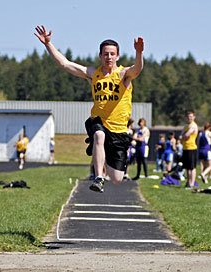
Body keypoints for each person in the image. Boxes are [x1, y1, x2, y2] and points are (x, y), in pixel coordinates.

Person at [35, 25, 144, 193]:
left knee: (116, 179)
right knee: (99, 135)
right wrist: (48, 44)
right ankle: (98, 177)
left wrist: (139, 52)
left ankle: (103, 155)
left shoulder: (124, 74)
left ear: (118, 56)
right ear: (100, 55)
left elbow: (137, 69)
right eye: (106, 54)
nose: (109, 57)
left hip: (119, 129)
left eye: (112, 54)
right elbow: (65, 64)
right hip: (99, 121)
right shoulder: (94, 73)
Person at [181, 111, 198, 188]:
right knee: (187, 167)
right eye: (188, 117)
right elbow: (182, 135)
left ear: (194, 117)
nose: (189, 118)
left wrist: (184, 135)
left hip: (192, 148)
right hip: (185, 148)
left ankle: (192, 183)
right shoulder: (186, 126)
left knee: (192, 167)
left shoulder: (193, 125)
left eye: (191, 116)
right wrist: (184, 136)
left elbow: (186, 135)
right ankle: (188, 182)